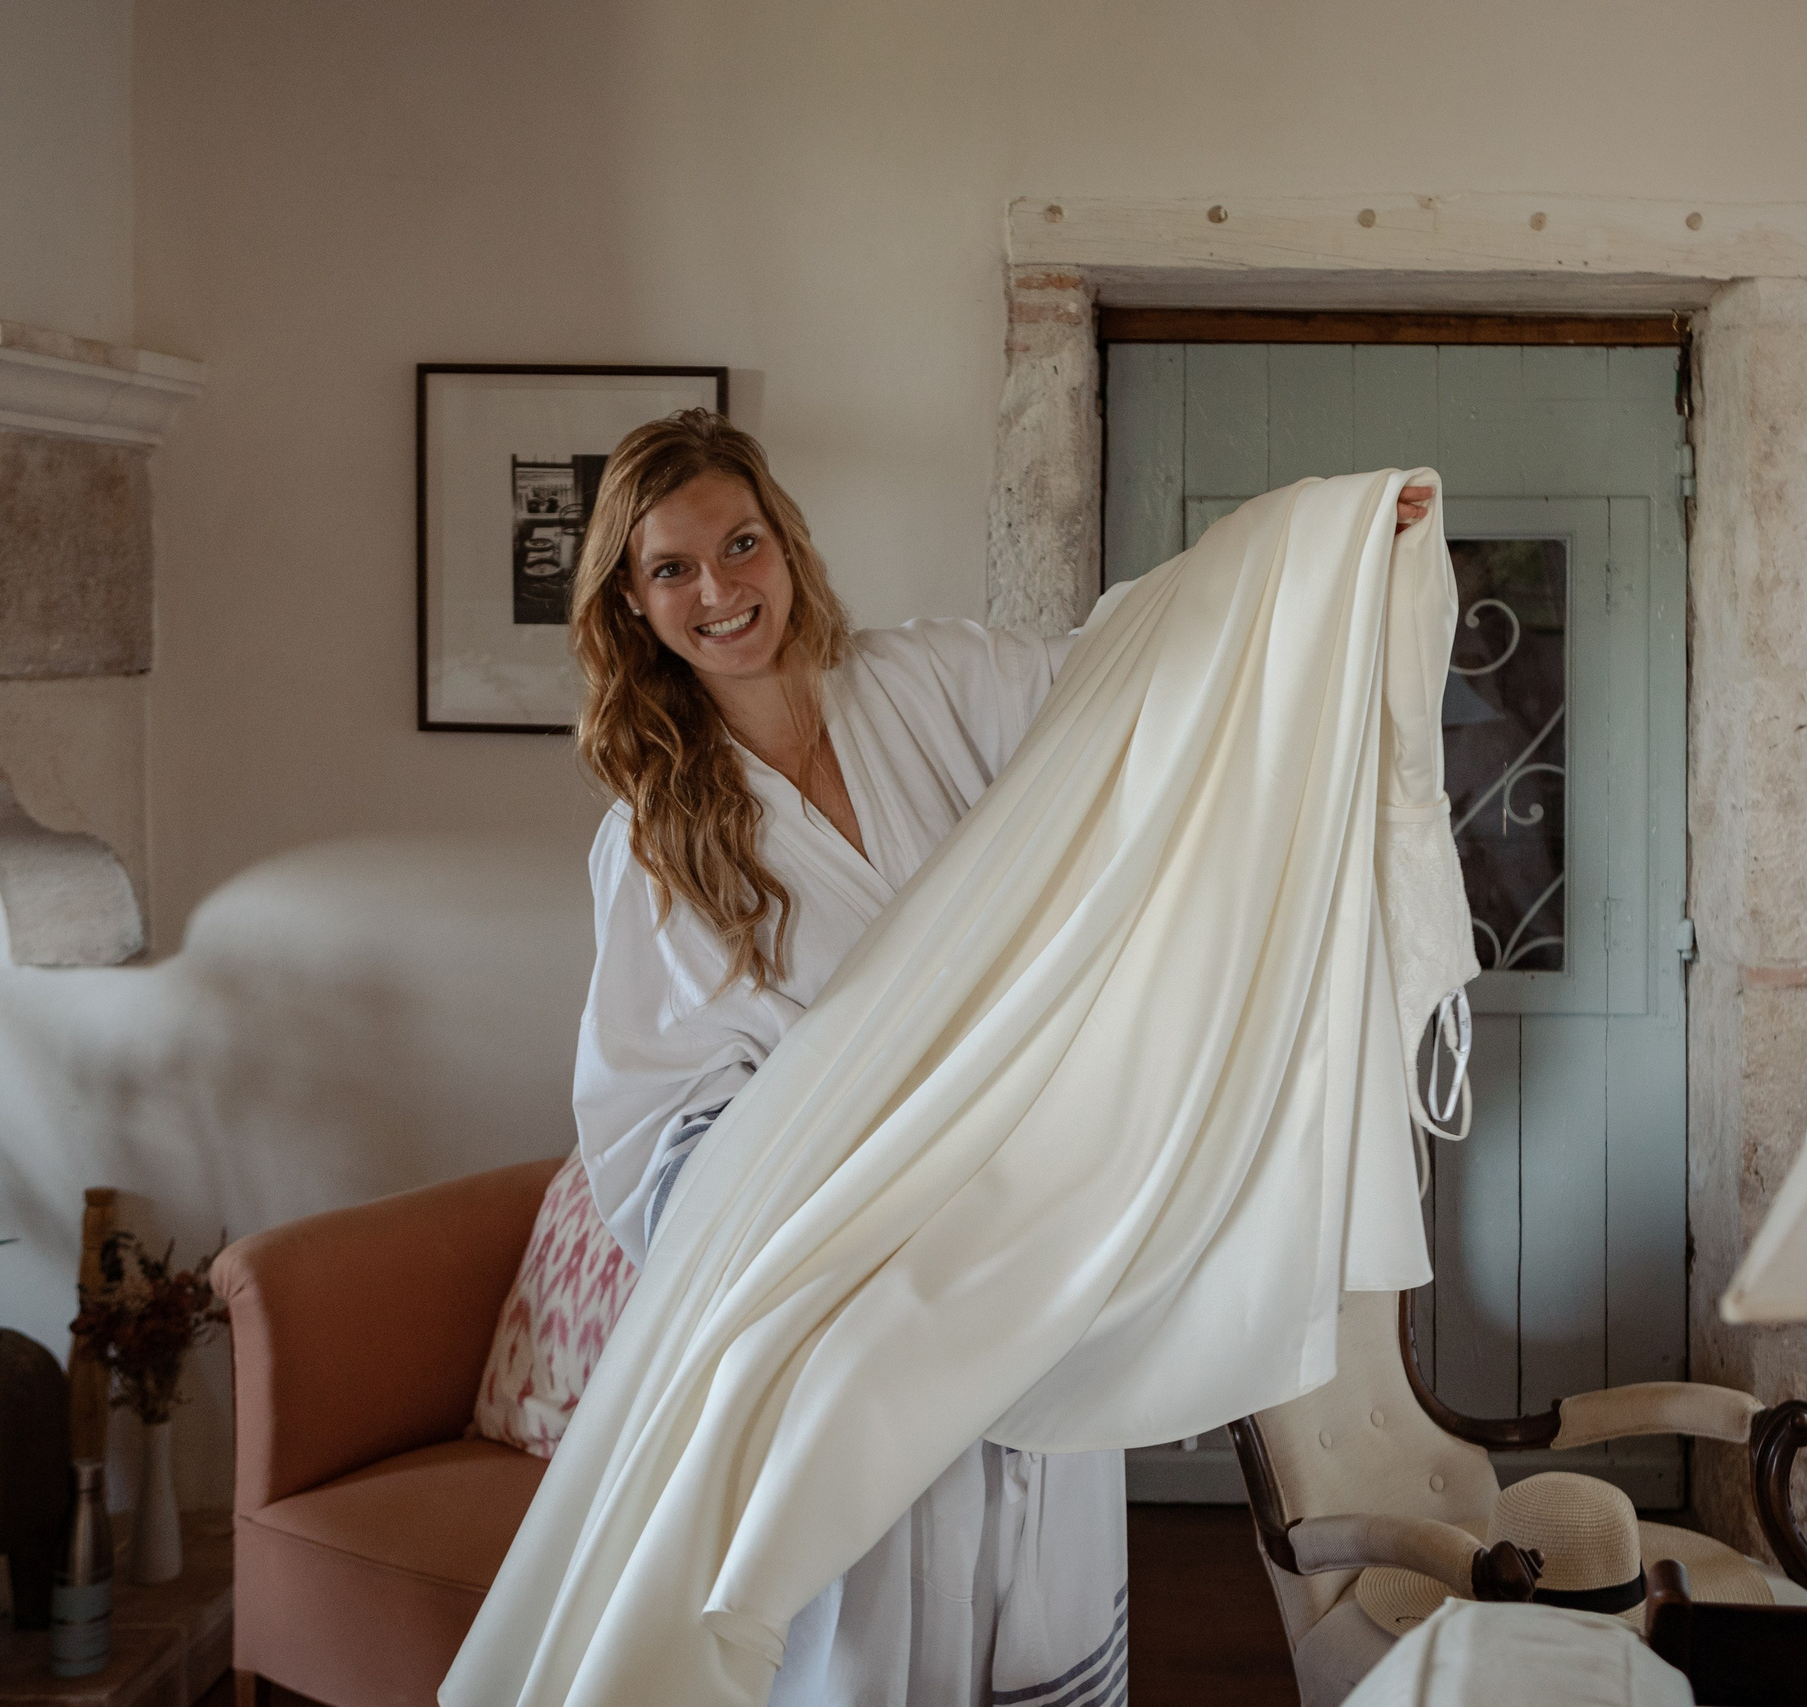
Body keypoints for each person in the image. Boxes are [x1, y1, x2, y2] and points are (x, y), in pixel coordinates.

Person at [565, 408, 1431, 1707]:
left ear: (783, 541)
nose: (720, 590)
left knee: (1036, 1584)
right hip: (847, 1293)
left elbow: (1135, 673)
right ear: (633, 605)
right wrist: (821, 1234)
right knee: (872, 1612)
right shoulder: (651, 845)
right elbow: (651, 1117)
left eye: (739, 544)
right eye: (673, 569)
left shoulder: (922, 683)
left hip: (1019, 1240)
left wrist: (1326, 553)